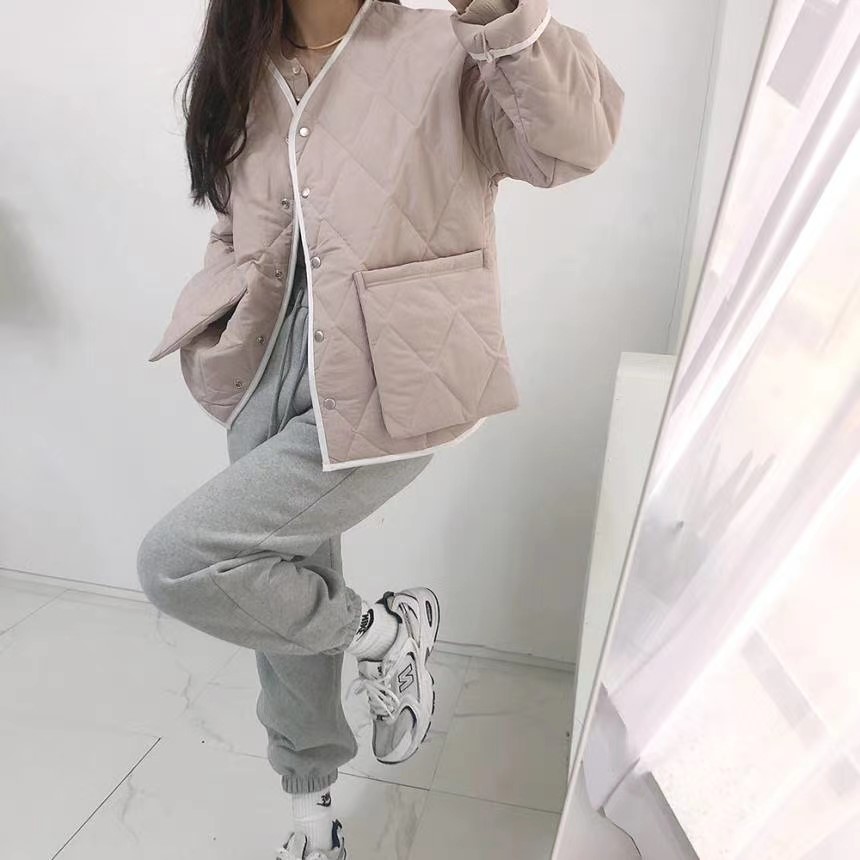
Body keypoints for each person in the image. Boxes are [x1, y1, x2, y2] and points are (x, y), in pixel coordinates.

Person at [137, 0, 623, 856]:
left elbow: (573, 144)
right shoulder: (242, 62)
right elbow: (233, 217)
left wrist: (505, 21)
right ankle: (315, 815)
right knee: (275, 594)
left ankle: (384, 638)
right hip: (264, 368)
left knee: (180, 561)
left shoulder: (450, 45)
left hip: (398, 368)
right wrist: (224, 301)